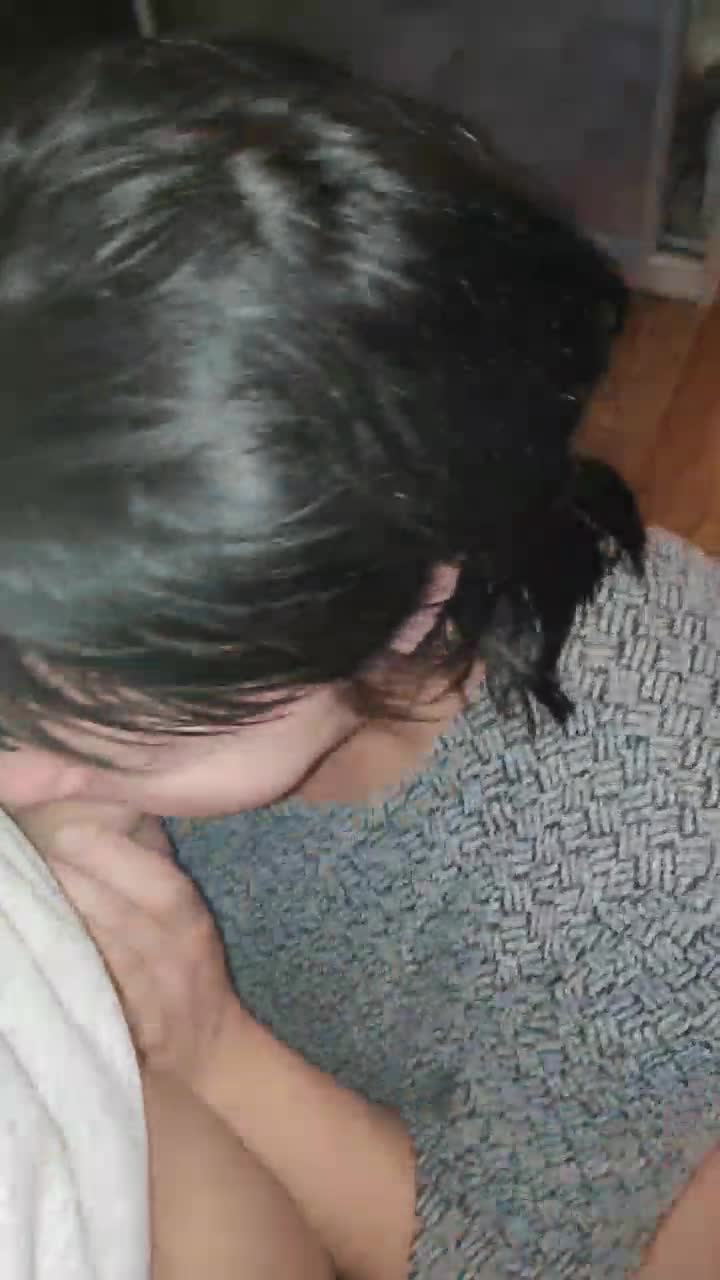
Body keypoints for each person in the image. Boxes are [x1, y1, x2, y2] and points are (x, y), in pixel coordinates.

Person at [0, 33, 717, 1279]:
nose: (14, 776)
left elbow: (527, 1257)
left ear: (408, 597)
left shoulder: (646, 864)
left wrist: (209, 1043)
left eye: (97, 723)